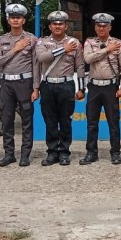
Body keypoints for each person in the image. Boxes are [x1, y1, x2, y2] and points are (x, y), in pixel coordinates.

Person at [0, 3, 38, 167]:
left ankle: (25, 155)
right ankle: (9, 154)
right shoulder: (1, 41)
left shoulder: (31, 40)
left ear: (23, 20)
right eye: (12, 17)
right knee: (6, 118)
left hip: (25, 82)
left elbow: (36, 65)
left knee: (26, 119)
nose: (15, 20)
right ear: (8, 20)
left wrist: (36, 87)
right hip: (6, 83)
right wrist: (15, 50)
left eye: (18, 17)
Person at [35, 10, 85, 166]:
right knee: (50, 120)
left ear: (65, 26)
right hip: (48, 84)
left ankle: (64, 152)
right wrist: (63, 49)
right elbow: (41, 58)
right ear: (50, 26)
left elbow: (80, 66)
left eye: (60, 24)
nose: (57, 26)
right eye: (54, 24)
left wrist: (81, 88)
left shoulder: (75, 43)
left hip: (66, 85)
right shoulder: (42, 42)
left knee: (65, 120)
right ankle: (51, 152)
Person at [81, 12, 121, 165]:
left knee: (113, 122)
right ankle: (91, 153)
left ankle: (115, 152)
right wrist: (107, 49)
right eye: (99, 26)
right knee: (92, 122)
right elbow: (88, 59)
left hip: (111, 87)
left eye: (104, 26)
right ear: (95, 27)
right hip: (94, 87)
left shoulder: (118, 43)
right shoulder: (89, 42)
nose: (101, 28)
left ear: (110, 27)